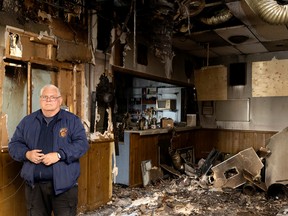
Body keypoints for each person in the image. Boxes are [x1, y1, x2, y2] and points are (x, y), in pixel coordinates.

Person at [8, 84, 89, 216]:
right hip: (35, 187)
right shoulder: (28, 121)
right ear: (40, 100)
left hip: (64, 187)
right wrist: (27, 154)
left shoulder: (72, 121)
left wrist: (59, 155)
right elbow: (14, 145)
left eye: (53, 97)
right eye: (45, 97)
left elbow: (82, 144)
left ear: (60, 100)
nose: (48, 100)